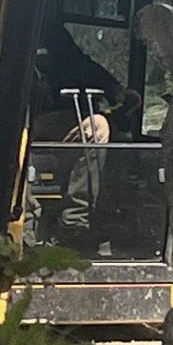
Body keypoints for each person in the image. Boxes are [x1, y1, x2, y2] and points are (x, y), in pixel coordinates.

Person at [28, 24, 140, 240]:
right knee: (97, 126)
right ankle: (55, 221)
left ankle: (79, 222)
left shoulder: (55, 37)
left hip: (63, 125)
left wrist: (117, 91)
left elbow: (80, 64)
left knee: (103, 129)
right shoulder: (11, 32)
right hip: (28, 122)